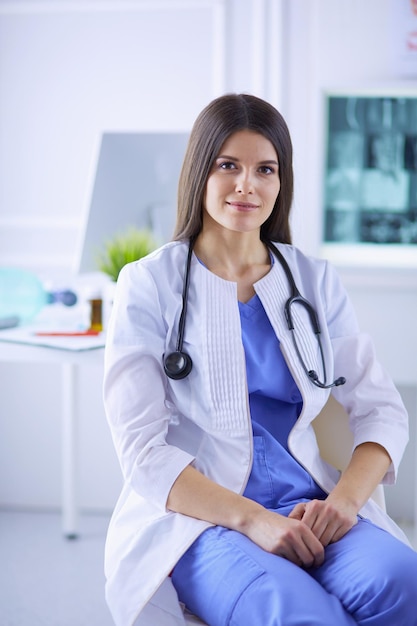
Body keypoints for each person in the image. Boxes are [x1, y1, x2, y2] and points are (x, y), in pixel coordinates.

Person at [103, 93, 417, 626]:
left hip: (310, 506)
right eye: (229, 165)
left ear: (281, 181)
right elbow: (143, 453)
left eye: (265, 169)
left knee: (405, 586)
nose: (246, 185)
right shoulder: (148, 285)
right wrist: (254, 521)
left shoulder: (313, 281)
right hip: (203, 521)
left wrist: (341, 504)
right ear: (200, 172)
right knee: (298, 615)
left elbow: (381, 411)